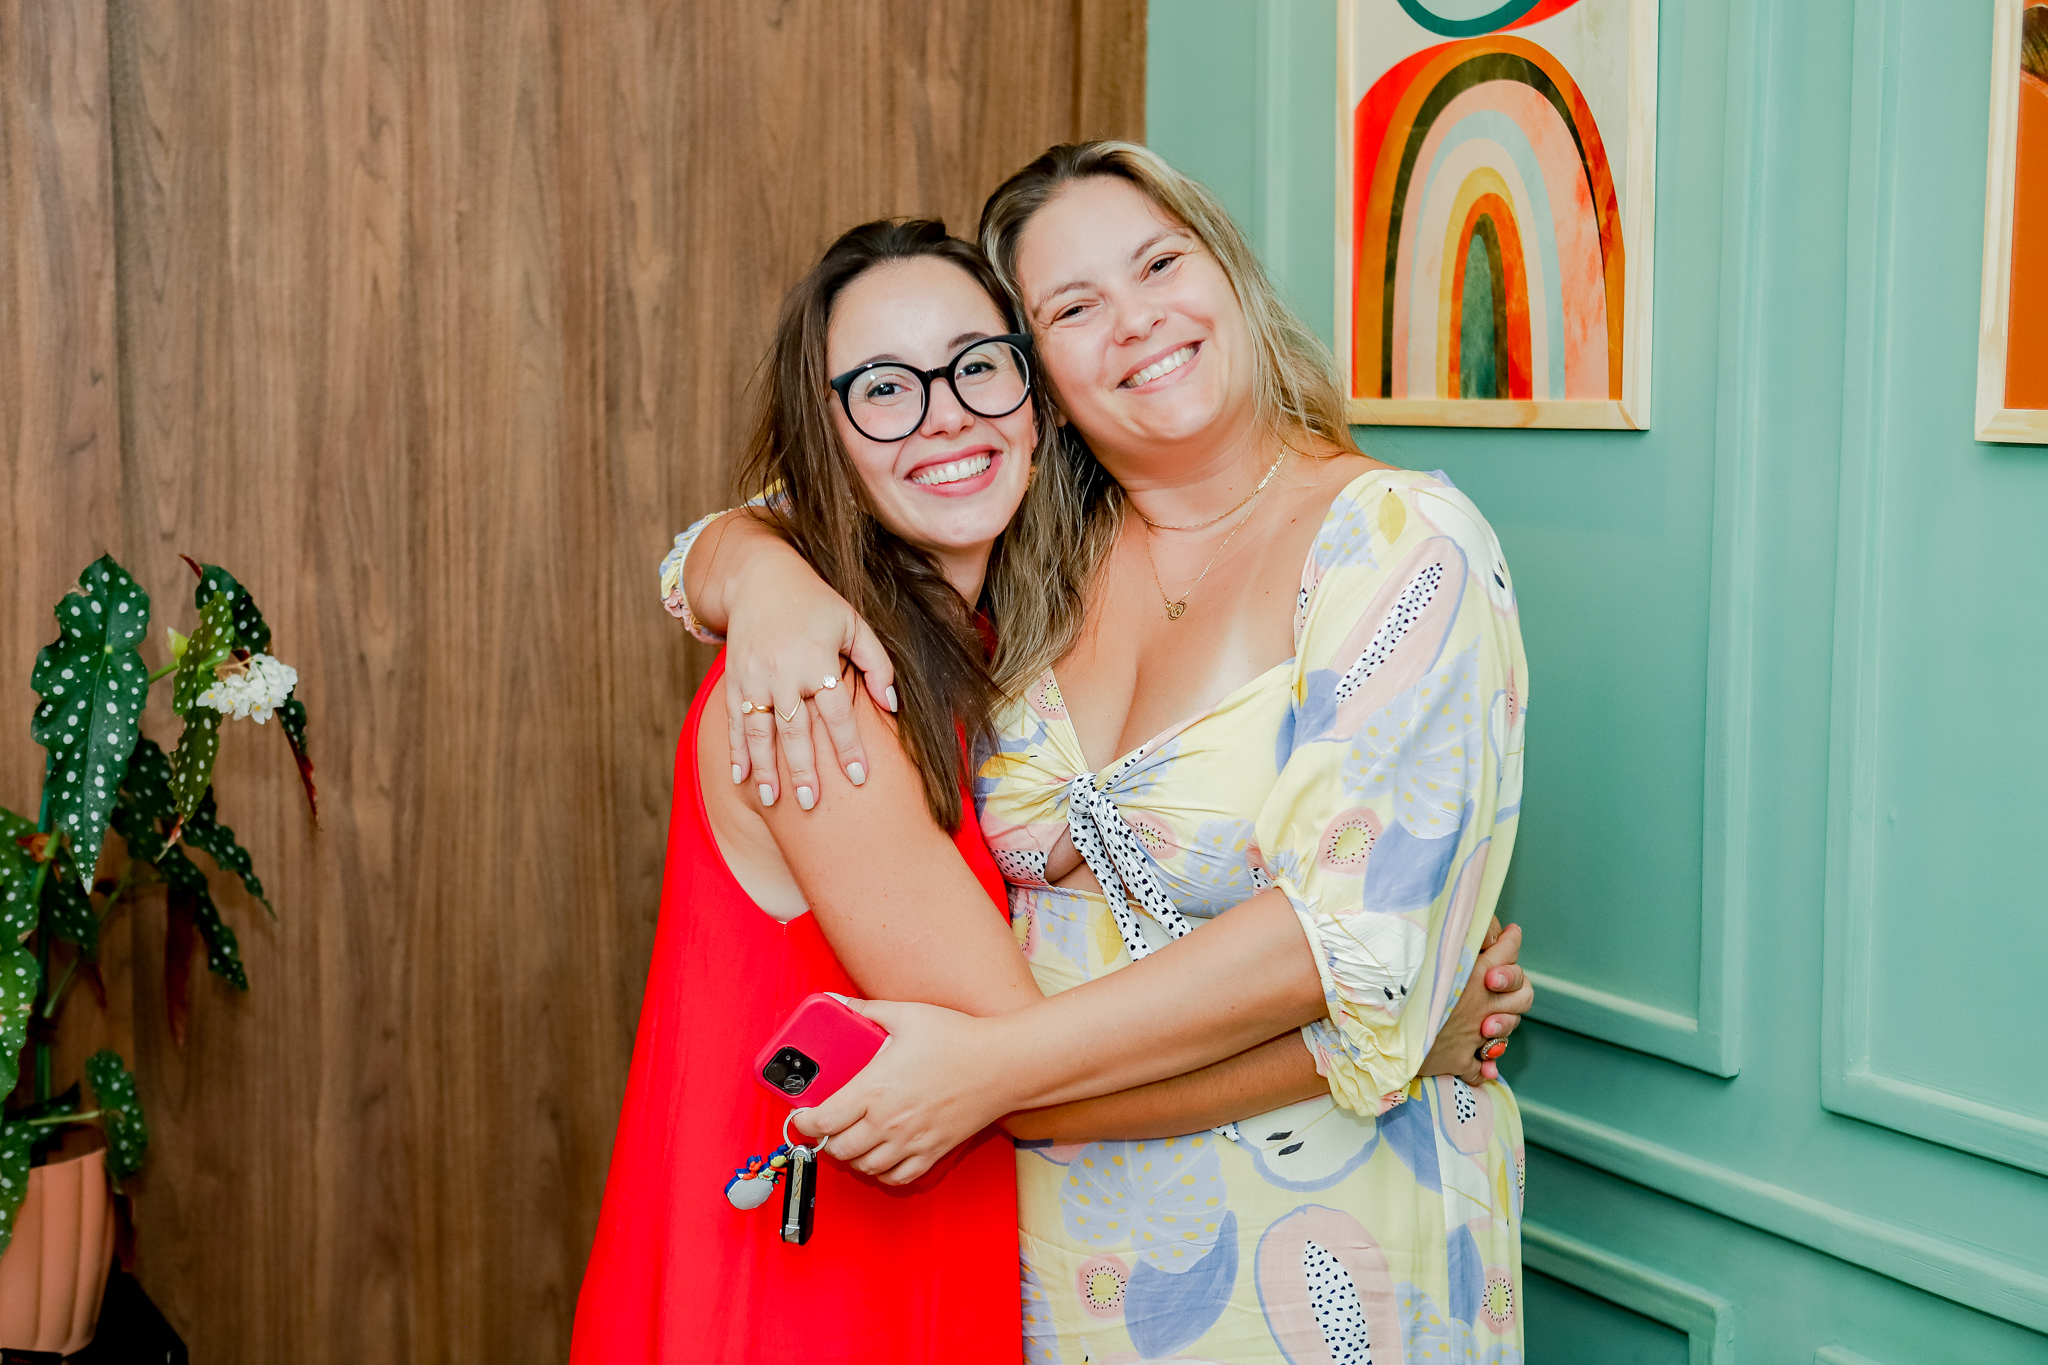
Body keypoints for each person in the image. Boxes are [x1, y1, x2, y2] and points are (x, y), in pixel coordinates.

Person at [578, 215, 1531, 1364]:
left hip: (952, 1254)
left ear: (1036, 403)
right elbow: (1019, 1081)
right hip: (817, 1287)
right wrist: (1381, 1049)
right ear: (825, 440)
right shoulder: (819, 696)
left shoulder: (999, 628)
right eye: (883, 389)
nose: (943, 415)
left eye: (976, 367)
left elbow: (997, 1074)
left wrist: (739, 562)